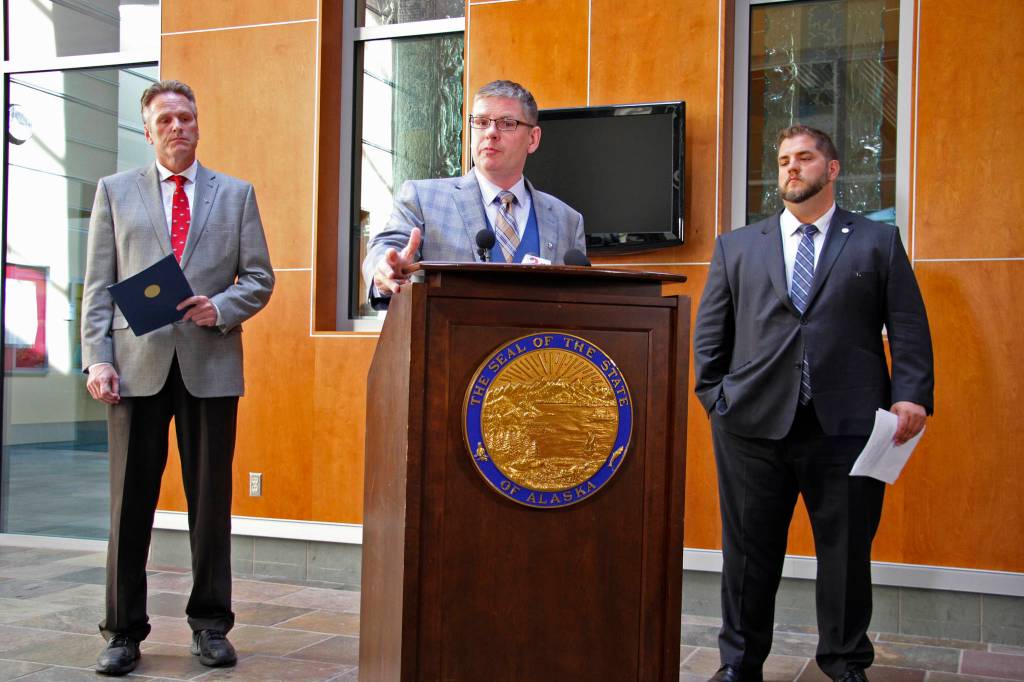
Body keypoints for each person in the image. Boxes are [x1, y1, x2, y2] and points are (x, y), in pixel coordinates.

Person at [693, 125, 933, 682]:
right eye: (782, 161)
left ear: (832, 169)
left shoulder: (876, 241)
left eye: (804, 158)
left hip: (847, 427)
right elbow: (711, 336)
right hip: (751, 426)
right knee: (749, 557)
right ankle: (739, 664)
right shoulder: (738, 245)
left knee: (846, 555)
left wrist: (911, 395)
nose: (791, 169)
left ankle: (845, 663)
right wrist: (716, 399)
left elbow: (908, 326)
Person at [81, 80, 274, 676]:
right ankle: (121, 632)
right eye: (165, 119)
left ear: (199, 123)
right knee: (128, 507)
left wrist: (221, 308)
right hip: (134, 370)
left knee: (210, 505)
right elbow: (96, 285)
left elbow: (259, 279)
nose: (178, 127)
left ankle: (211, 625)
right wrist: (97, 357)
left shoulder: (236, 194)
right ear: (147, 130)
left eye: (186, 117)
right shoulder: (114, 192)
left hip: (209, 366)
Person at [362, 79, 586, 306]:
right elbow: (388, 247)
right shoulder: (423, 198)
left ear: (533, 138)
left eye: (507, 123)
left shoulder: (567, 220)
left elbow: (579, 305)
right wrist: (385, 268)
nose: (491, 132)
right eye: (480, 122)